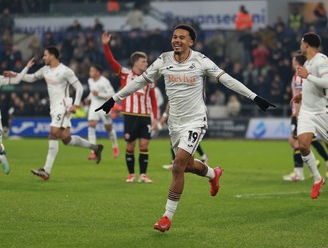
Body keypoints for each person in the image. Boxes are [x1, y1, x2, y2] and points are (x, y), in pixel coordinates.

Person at [96, 24, 275, 232]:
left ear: (191, 42)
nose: (177, 40)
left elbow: (227, 80)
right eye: (174, 36)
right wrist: (113, 99)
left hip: (195, 121)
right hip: (175, 124)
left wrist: (254, 97)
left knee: (177, 165)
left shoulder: (200, 60)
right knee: (188, 165)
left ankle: (166, 216)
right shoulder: (163, 60)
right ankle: (212, 174)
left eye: (182, 37)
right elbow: (139, 82)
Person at [17, 47, 103, 180]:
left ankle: (46, 170)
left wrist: (75, 104)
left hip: (64, 106)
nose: (43, 57)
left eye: (45, 55)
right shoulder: (45, 70)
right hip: (54, 108)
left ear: (52, 56)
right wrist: (15, 75)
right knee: (66, 139)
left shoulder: (65, 71)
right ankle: (95, 148)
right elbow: (32, 78)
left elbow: (79, 87)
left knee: (53, 133)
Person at [292, 32, 328, 204]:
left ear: (307, 45)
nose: (300, 46)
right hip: (307, 112)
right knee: (302, 145)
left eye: (302, 43)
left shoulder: (321, 60)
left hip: (323, 113)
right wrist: (302, 95)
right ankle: (318, 179)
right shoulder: (308, 63)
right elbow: (313, 86)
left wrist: (307, 76)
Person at [101, 31, 158, 183]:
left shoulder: (149, 78)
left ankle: (143, 175)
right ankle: (131, 174)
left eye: (146, 62)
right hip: (130, 115)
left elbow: (152, 99)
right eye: (143, 61)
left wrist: (155, 117)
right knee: (131, 146)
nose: (146, 64)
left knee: (145, 145)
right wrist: (106, 46)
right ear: (136, 63)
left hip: (145, 116)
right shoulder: (125, 74)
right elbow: (111, 62)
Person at [283, 52, 328, 182]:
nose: (292, 64)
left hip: (301, 114)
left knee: (295, 142)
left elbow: (300, 96)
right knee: (308, 141)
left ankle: (300, 172)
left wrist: (296, 115)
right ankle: (325, 162)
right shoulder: (306, 75)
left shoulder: (298, 77)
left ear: (296, 63)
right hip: (308, 112)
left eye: (293, 61)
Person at [84, 64, 119, 160]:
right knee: (91, 125)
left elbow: (112, 94)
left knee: (108, 128)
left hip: (104, 106)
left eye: (92, 71)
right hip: (94, 106)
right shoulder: (90, 81)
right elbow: (92, 92)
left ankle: (115, 146)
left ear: (98, 72)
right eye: (90, 71)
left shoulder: (105, 81)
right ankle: (93, 151)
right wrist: (88, 98)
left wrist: (99, 94)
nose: (90, 73)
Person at [159, 103, 208, 170]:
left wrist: (164, 116)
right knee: (178, 140)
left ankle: (204, 159)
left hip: (189, 118)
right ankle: (203, 157)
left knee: (189, 140)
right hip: (178, 118)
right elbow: (170, 102)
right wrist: (165, 115)